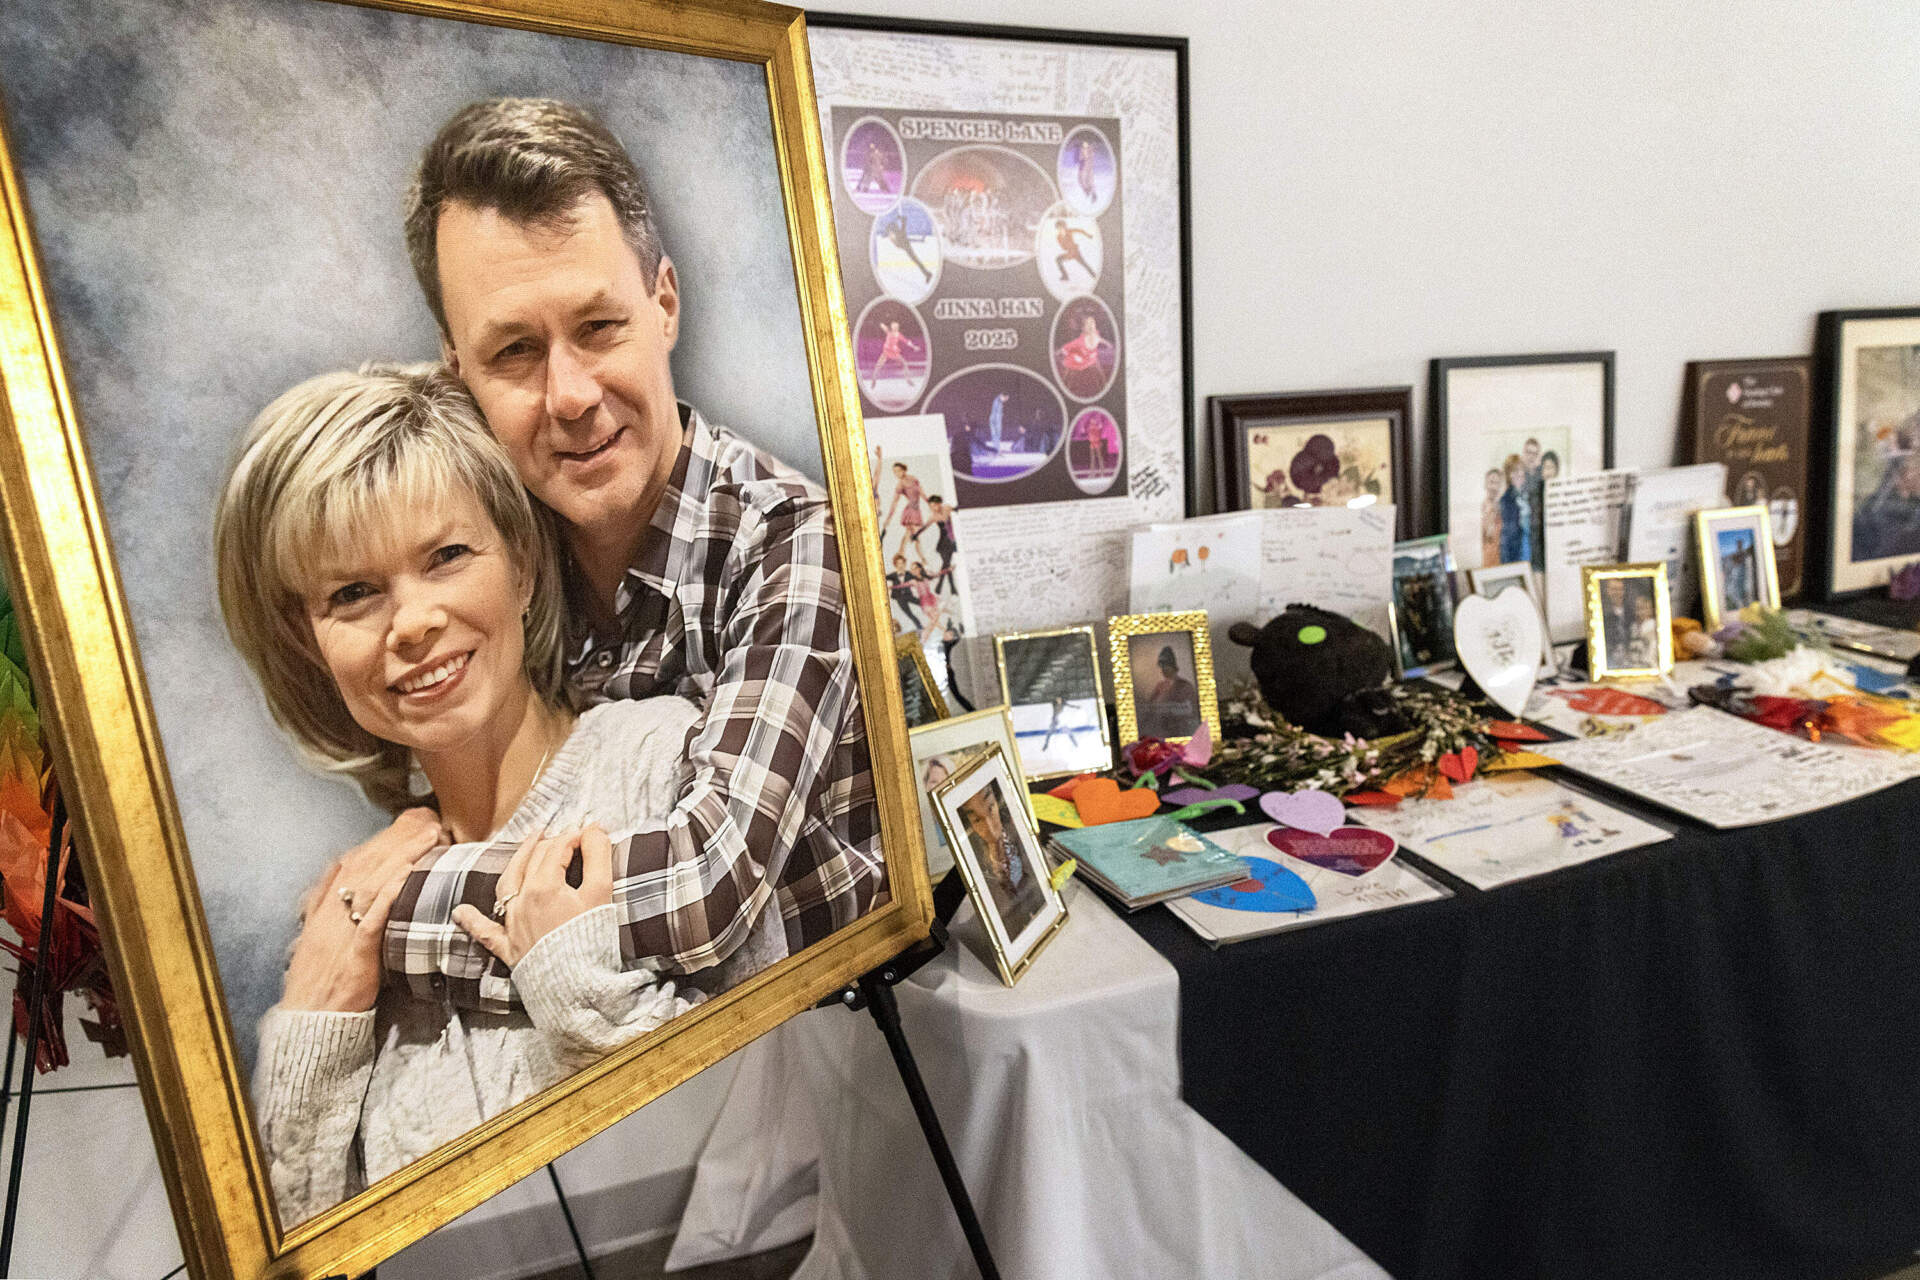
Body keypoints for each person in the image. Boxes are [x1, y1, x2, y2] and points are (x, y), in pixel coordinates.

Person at [386, 97, 884, 1000]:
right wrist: (421, 837)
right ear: (459, 374)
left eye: (598, 327)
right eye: (514, 352)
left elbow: (705, 889)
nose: (570, 394)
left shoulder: (798, 542)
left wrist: (373, 907)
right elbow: (467, 801)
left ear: (663, 304)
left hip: (824, 1059)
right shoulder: (485, 556)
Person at [215, 365, 702, 1225]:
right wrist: (312, 1026)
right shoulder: (355, 901)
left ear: (519, 565)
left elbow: (740, 1140)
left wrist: (571, 978)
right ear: (311, 640)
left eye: (445, 557)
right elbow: (305, 1244)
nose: (410, 624)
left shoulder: (663, 758)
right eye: (353, 594)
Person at [957, 785, 1044, 936]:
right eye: (977, 820)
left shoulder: (1018, 832)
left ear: (997, 802)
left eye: (991, 808)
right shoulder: (972, 860)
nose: (990, 828)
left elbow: (1037, 881)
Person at [1137, 644, 1200, 740]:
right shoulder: (1159, 686)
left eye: (1166, 666)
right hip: (1160, 733)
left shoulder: (1185, 686)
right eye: (1161, 667)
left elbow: (1192, 713)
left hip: (1180, 734)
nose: (1163, 670)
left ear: (1173, 666)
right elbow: (1149, 708)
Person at [882, 460, 930, 556]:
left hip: (917, 511)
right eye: (894, 472)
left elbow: (922, 493)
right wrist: (888, 518)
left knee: (909, 534)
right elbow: (894, 503)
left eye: (898, 471)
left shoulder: (913, 479)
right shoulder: (900, 485)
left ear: (904, 470)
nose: (897, 474)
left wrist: (930, 504)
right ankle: (922, 559)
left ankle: (901, 553)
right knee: (915, 535)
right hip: (910, 512)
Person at [1498, 454, 1532, 565]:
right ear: (1508, 475)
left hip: (1534, 548)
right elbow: (1507, 536)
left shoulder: (1531, 494)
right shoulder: (1506, 500)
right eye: (1513, 471)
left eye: (1520, 470)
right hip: (1518, 551)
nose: (1518, 474)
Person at [1053, 218, 1096, 283]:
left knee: (1084, 264)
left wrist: (1088, 235)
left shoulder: (1070, 231)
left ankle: (1094, 275)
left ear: (1065, 227)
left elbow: (1080, 230)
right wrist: (1065, 244)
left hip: (1075, 252)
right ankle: (1065, 276)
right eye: (1059, 228)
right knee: (1058, 259)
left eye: (1062, 227)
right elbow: (1063, 248)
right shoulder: (1058, 237)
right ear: (1057, 228)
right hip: (1069, 253)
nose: (1061, 229)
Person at [1480, 468, 1504, 566]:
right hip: (1487, 562)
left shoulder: (1503, 509)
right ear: (1485, 484)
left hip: (1503, 561)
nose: (1494, 487)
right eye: (1491, 482)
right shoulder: (1481, 509)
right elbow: (1488, 534)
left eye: (1497, 483)